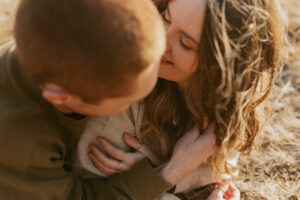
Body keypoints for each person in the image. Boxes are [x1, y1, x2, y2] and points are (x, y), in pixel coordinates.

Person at [0, 0, 219, 199]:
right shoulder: (22, 148)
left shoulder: (57, 43)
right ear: (62, 97)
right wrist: (170, 172)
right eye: (127, 101)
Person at [84, 0, 284, 199]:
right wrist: (165, 174)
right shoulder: (124, 92)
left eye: (185, 43)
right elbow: (85, 190)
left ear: (221, 66)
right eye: (166, 17)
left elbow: (217, 173)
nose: (159, 40)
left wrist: (163, 171)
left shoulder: (231, 101)